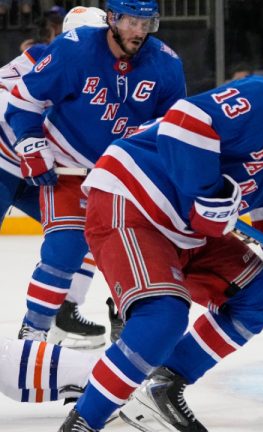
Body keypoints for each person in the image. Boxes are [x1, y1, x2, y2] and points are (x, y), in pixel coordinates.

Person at [58, 26, 263, 431]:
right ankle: (83, 423)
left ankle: (164, 383)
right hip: (133, 203)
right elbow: (183, 121)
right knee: (164, 315)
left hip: (184, 230)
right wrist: (207, 192)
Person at [4, 0, 186, 349]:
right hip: (66, 169)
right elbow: (24, 100)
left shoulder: (166, 64)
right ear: (113, 19)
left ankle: (128, 326)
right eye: (132, 22)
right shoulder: (75, 49)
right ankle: (34, 332)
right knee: (66, 247)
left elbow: (174, 130)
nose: (140, 31)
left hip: (121, 174)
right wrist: (30, 142)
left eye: (147, 23)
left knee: (142, 252)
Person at [0, 6, 110, 349]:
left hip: (45, 176)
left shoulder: (103, 74)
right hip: (4, 167)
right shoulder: (30, 64)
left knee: (87, 230)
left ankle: (63, 311)